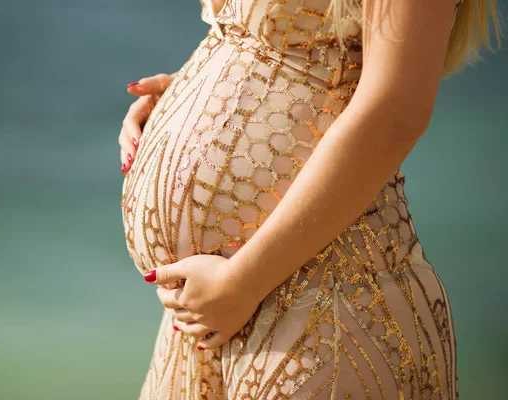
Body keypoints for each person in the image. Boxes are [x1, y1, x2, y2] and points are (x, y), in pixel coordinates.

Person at [119, 0, 501, 398]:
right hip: (207, 308)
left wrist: (244, 283)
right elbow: (284, 51)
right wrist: (186, 92)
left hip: (326, 298)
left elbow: (396, 112)